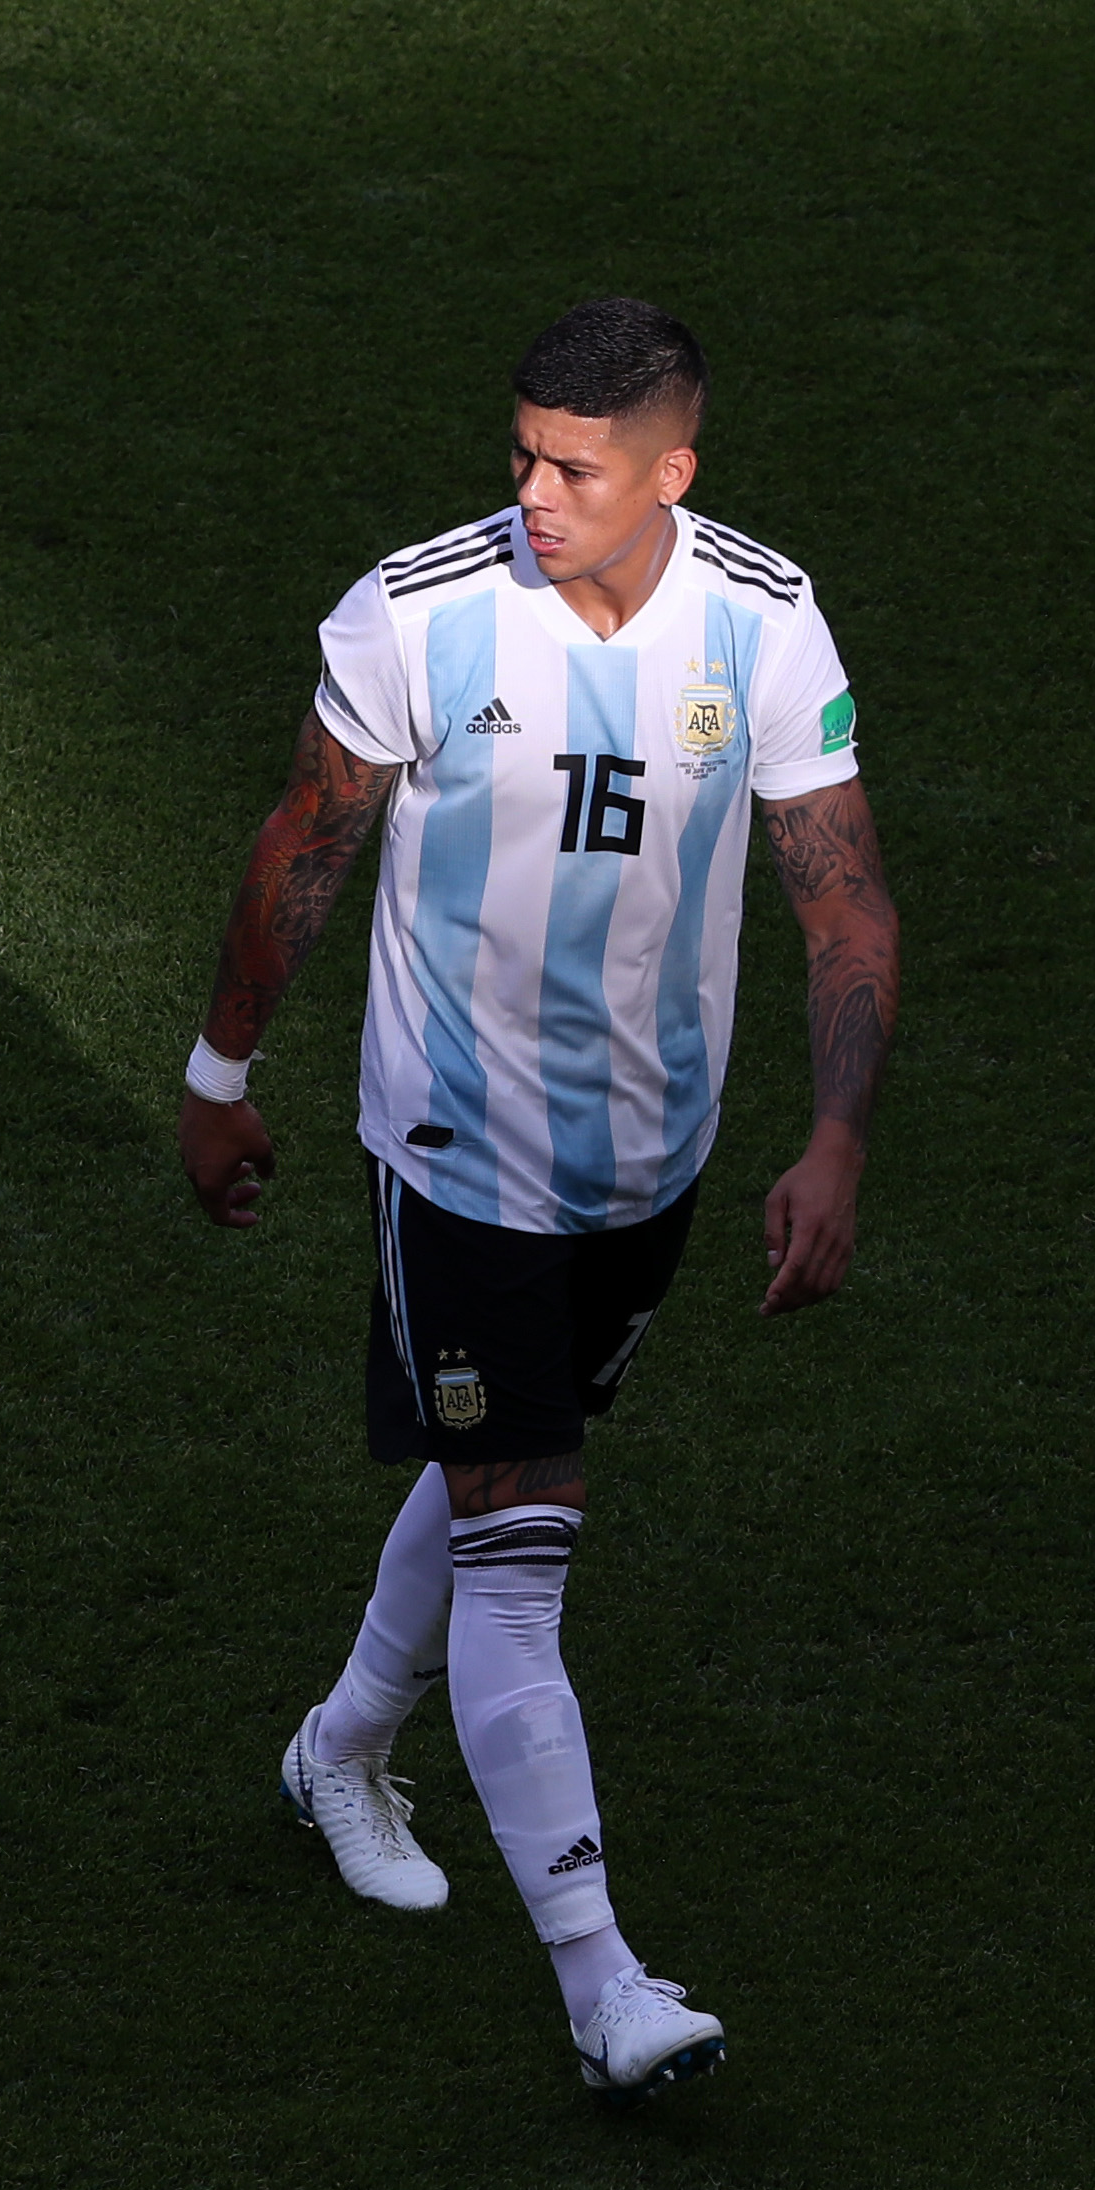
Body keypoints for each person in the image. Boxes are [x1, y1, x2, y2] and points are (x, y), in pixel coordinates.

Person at [177, 298, 900, 2099]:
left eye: (573, 465)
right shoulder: (420, 610)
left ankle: (338, 1746)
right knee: (523, 1556)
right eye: (517, 451)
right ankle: (605, 1988)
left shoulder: (764, 611)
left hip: (650, 1158)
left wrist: (834, 1139)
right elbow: (305, 844)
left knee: (505, 1460)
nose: (531, 491)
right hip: (461, 1157)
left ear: (673, 471)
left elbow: (843, 903)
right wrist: (218, 1074)